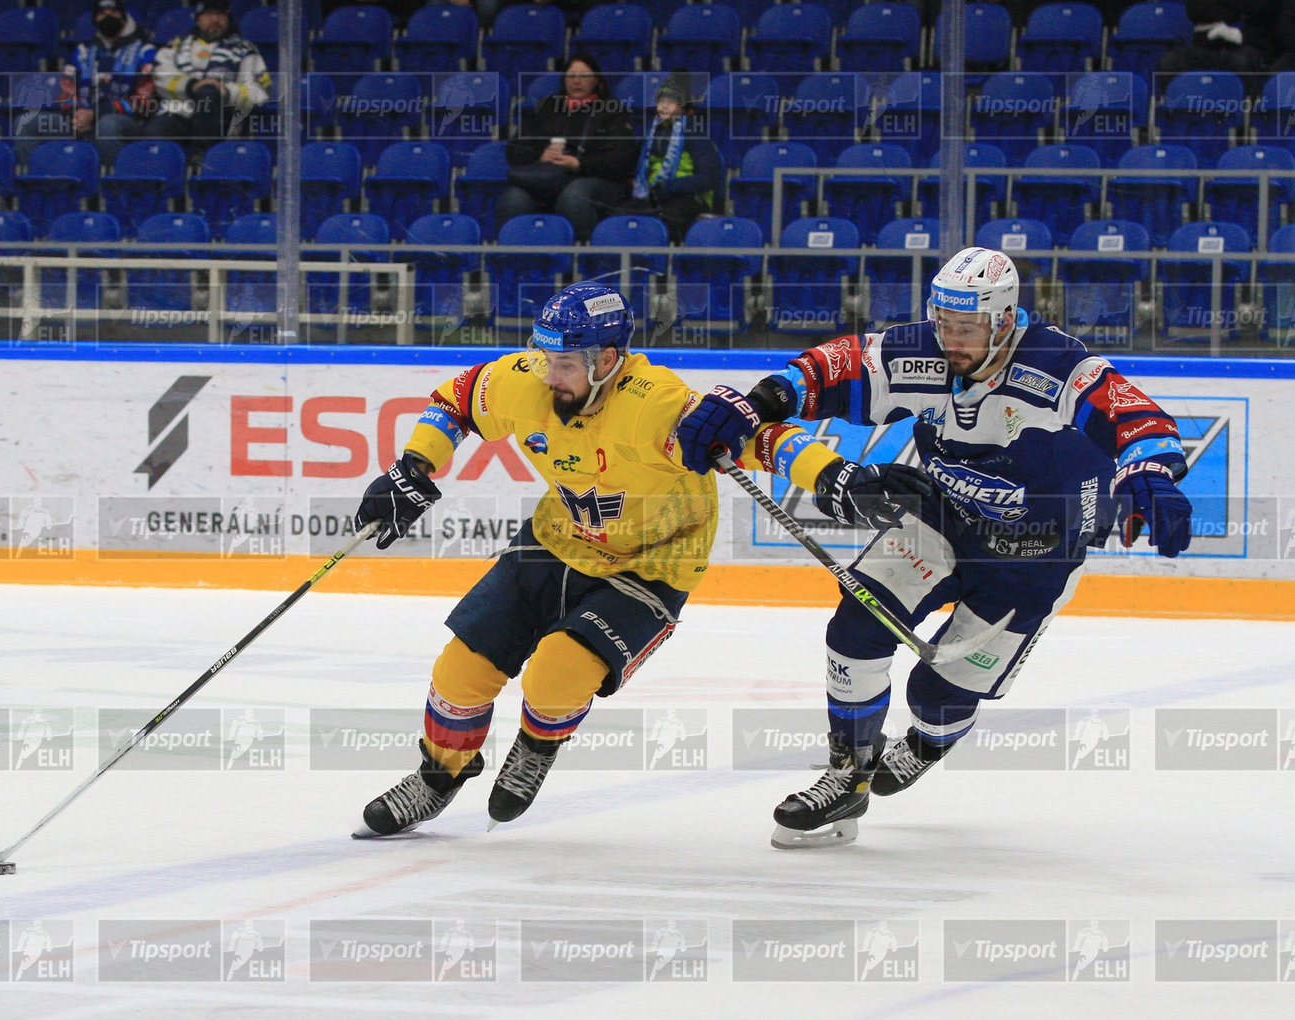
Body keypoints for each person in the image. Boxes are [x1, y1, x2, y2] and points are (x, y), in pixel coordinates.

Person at [349, 280, 929, 836]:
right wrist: (414, 466)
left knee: (556, 675)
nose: (549, 376)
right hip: (557, 539)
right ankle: (438, 776)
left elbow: (765, 441)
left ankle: (537, 747)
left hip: (653, 562)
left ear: (607, 360)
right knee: (460, 670)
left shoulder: (658, 406)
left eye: (566, 364)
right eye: (545, 358)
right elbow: (453, 403)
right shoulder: (529, 376)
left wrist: (832, 473)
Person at [675, 247, 1194, 848]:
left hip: (1037, 554)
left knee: (939, 694)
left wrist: (1151, 471)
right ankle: (848, 772)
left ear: (1003, 320)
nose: (951, 341)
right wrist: (754, 404)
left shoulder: (1057, 364)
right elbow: (823, 370)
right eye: (944, 324)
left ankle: (928, 740)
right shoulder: (921, 349)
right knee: (855, 627)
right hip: (941, 520)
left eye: (966, 328)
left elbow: (1135, 417)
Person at [497, 53, 638, 243]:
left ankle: (582, 264)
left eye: (584, 76)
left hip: (596, 180)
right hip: (548, 178)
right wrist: (541, 155)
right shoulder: (548, 107)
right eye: (571, 76)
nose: (577, 81)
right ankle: (516, 263)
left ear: (596, 80)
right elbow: (514, 149)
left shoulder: (612, 110)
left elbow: (623, 158)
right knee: (513, 199)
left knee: (573, 197)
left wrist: (580, 164)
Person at [14, 0, 158, 167]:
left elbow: (143, 100)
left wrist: (96, 114)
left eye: (113, 12)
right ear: (95, 19)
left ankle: (110, 188)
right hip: (81, 121)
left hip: (126, 123)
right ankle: (40, 183)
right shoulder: (83, 52)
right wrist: (76, 116)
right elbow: (66, 91)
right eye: (102, 13)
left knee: (106, 126)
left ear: (123, 15)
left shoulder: (144, 51)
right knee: (25, 124)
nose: (108, 16)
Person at [148, 0, 272, 156]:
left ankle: (203, 161)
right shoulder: (176, 46)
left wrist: (225, 91)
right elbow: (159, 76)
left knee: (208, 93)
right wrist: (191, 86)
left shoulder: (245, 49)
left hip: (222, 116)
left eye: (220, 14)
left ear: (228, 18)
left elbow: (260, 91)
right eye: (209, 14)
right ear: (198, 18)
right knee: (155, 133)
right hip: (179, 112)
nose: (215, 19)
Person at [614, 70, 720, 244]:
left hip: (686, 196)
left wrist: (670, 187)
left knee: (669, 216)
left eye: (670, 102)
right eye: (661, 101)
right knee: (621, 214)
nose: (663, 107)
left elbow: (708, 177)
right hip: (654, 195)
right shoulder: (652, 133)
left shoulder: (695, 134)